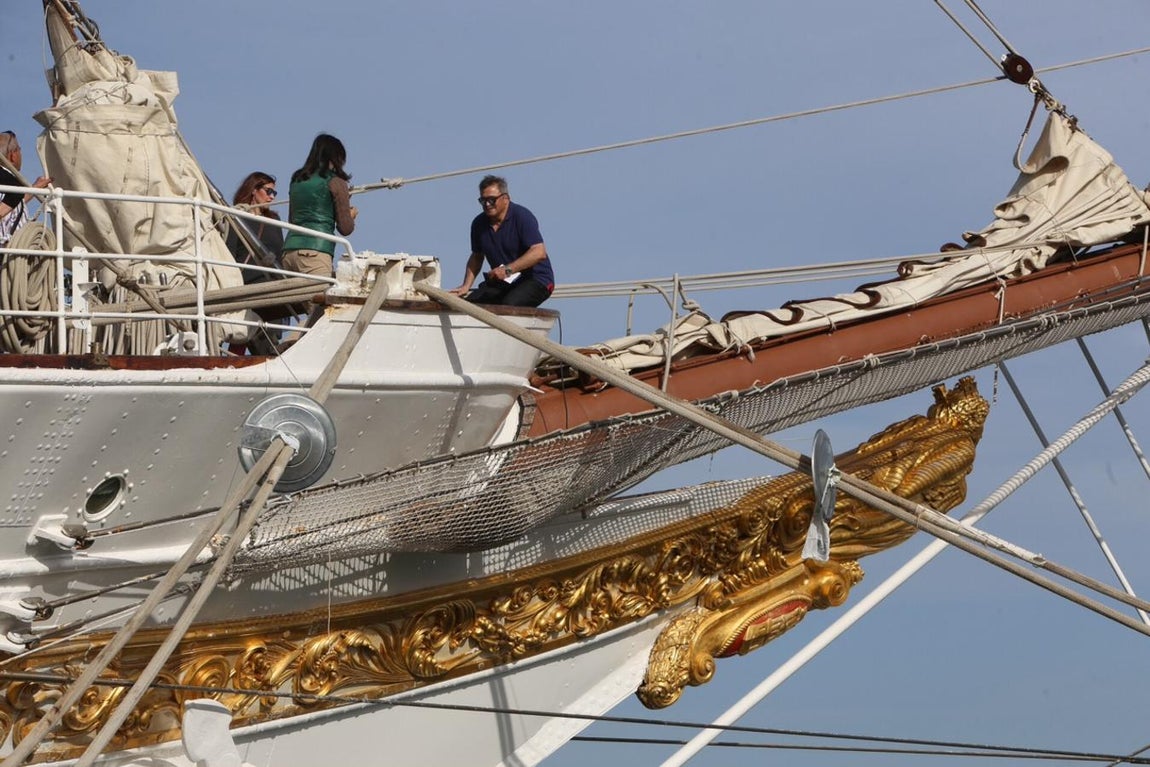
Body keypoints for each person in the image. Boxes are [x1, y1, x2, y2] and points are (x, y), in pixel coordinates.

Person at [450, 175, 554, 307]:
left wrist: (508, 270)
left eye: (492, 200)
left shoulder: (522, 216)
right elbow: (477, 256)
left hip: (537, 280)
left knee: (508, 305)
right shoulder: (478, 224)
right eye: (483, 200)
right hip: (505, 281)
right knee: (470, 306)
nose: (487, 204)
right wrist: (466, 286)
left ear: (506, 198)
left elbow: (539, 252)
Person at [281, 134, 357, 278]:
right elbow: (346, 228)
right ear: (337, 158)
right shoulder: (336, 182)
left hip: (289, 252)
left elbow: (293, 220)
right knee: (319, 299)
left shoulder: (297, 179)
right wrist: (350, 214)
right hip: (315, 251)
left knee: (293, 300)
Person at [226, 171, 283, 285]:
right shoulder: (236, 217)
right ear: (253, 190)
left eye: (274, 193)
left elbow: (281, 254)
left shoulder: (274, 220)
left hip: (274, 281)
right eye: (268, 191)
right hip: (247, 282)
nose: (272, 197)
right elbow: (229, 253)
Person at [0, 131, 51, 247]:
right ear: (13, 155)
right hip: (7, 254)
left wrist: (34, 189)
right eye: (19, 149)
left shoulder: (8, 186)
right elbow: (11, 200)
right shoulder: (9, 182)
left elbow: (13, 204)